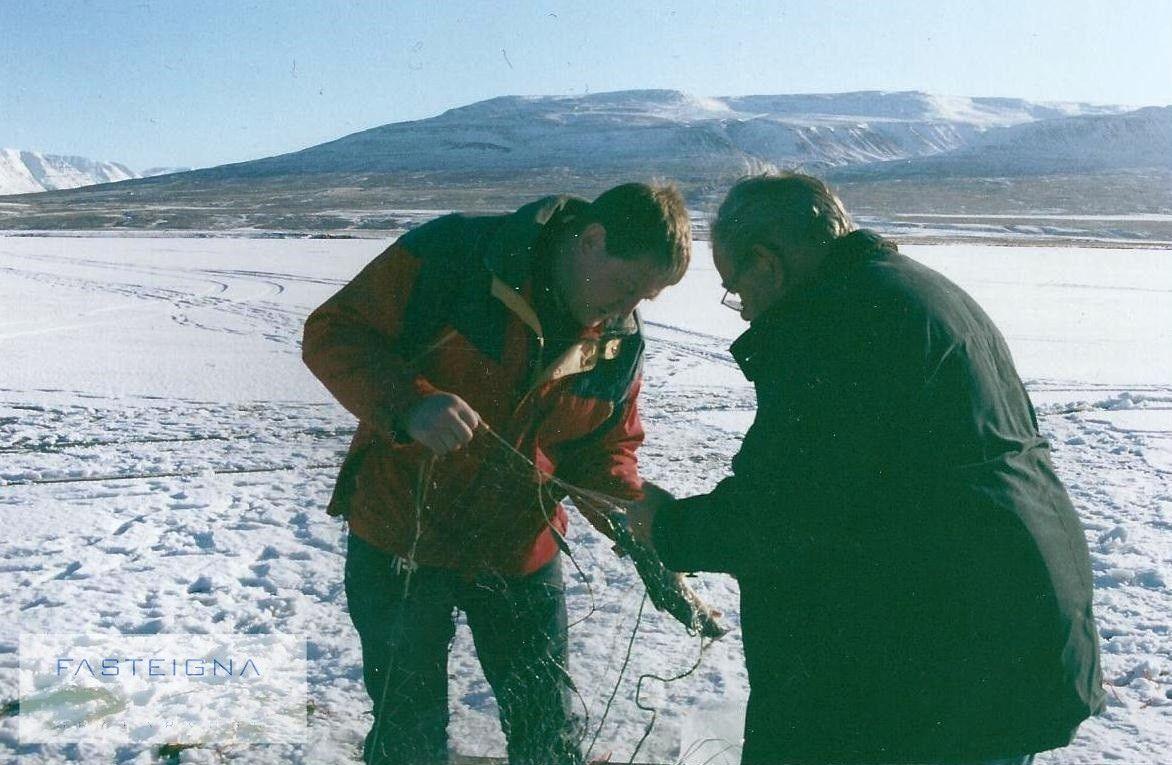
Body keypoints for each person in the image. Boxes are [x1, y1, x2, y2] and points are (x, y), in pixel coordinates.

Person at [627, 173, 1103, 765]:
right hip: (999, 638)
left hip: (945, 670)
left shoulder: (842, 324)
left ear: (767, 264)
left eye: (736, 288)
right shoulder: (908, 290)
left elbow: (784, 510)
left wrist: (667, 526)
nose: (742, 310)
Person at [302, 183, 690, 765]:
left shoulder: (619, 340)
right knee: (408, 733)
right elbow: (332, 331)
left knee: (547, 733)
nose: (627, 309)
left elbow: (605, 449)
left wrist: (638, 522)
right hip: (400, 539)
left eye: (645, 298)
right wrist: (411, 403)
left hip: (519, 551)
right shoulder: (455, 255)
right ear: (592, 239)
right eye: (627, 286)